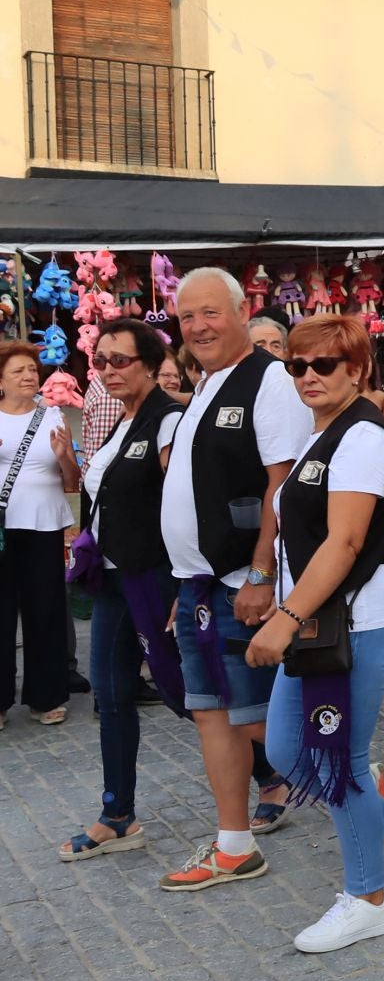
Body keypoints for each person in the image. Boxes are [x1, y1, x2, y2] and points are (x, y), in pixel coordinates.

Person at [245, 314, 384, 951]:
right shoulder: (326, 432)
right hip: (323, 619)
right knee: (289, 747)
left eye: (324, 364)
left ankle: (367, 897)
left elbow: (347, 540)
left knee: (334, 757)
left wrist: (285, 616)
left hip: (355, 619)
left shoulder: (361, 437)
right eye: (297, 365)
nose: (308, 376)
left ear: (357, 368)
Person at [156, 267, 307, 891]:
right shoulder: (209, 385)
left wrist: (263, 573)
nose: (197, 326)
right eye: (187, 317)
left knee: (253, 720)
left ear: (242, 311)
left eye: (210, 312)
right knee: (211, 714)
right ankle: (234, 845)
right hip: (197, 581)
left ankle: (359, 782)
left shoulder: (268, 381)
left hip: (240, 579)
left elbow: (282, 484)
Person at [59, 320, 182, 856]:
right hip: (111, 577)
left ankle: (270, 773)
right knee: (111, 695)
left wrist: (183, 582)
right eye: (100, 360)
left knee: (187, 691)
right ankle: (118, 814)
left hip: (154, 576)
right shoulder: (120, 422)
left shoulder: (168, 419)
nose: (107, 369)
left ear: (151, 364)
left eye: (120, 360)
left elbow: (183, 507)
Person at [0, 341, 80, 729]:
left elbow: (72, 482)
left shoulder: (52, 417)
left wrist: (66, 455)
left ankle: (45, 696)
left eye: (32, 370)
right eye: (19, 371)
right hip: (2, 527)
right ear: (1, 380)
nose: (30, 376)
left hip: (45, 524)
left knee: (45, 611)